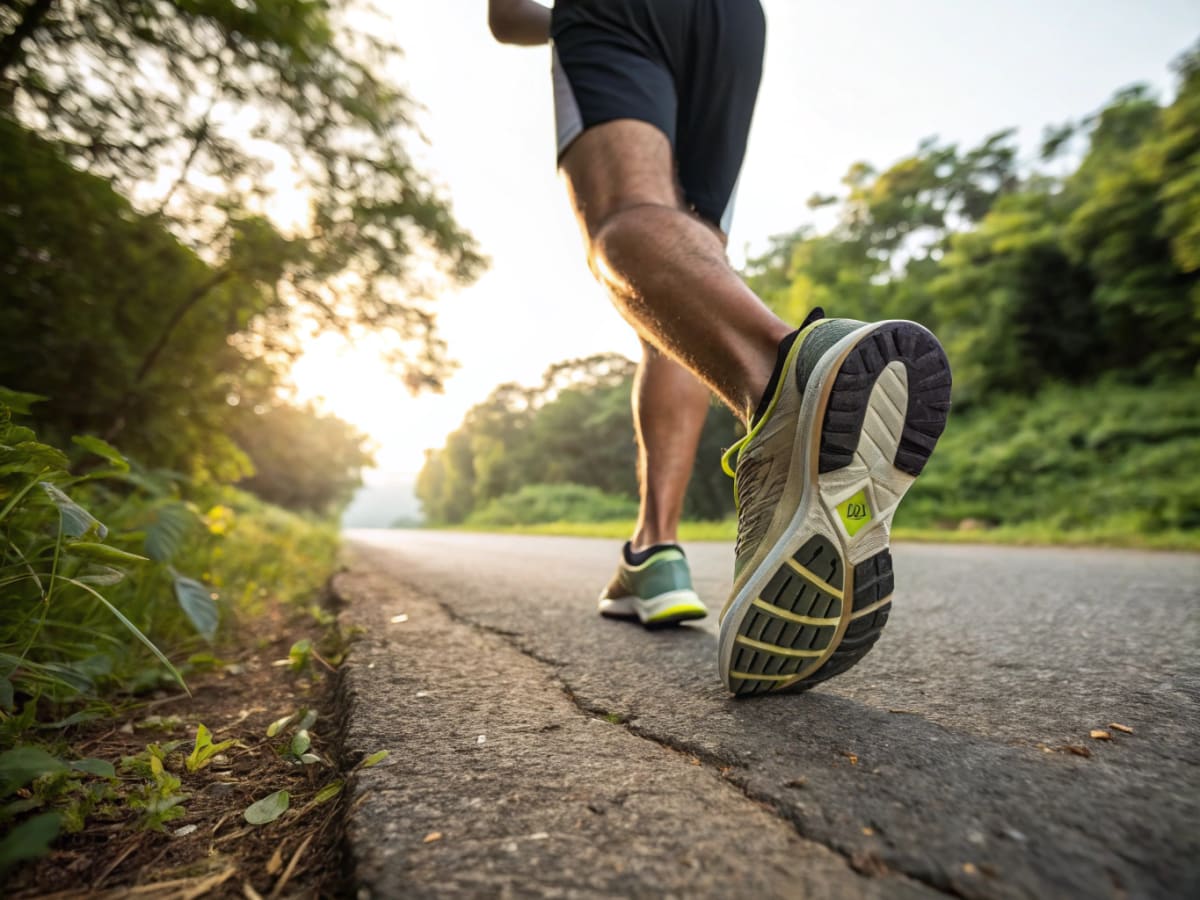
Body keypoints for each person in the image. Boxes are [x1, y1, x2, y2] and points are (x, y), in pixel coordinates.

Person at [486, 0, 952, 696]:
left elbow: (505, 13)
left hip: (619, 12)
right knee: (678, 296)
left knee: (624, 218)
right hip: (734, 20)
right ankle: (653, 554)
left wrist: (572, 19)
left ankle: (784, 384)